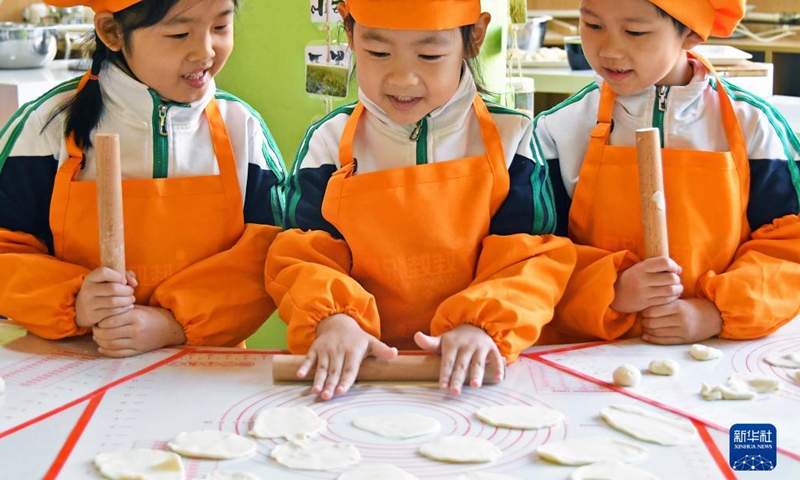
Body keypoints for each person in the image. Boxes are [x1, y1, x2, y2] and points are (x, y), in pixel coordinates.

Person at [266, 0, 575, 400]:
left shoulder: (509, 136)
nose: (403, 78)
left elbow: (531, 259)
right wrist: (334, 319)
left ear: (474, 37)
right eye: (378, 52)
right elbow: (302, 254)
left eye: (429, 55)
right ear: (349, 33)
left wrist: (481, 325)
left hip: (479, 375)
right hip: (358, 376)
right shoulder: (329, 142)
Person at [0, 0, 285, 357]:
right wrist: (73, 301)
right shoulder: (46, 126)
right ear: (112, 32)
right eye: (179, 33)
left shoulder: (241, 129)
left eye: (220, 28)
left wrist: (173, 324)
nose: (206, 51)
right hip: (73, 366)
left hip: (203, 367)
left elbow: (270, 254)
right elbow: (5, 251)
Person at [534, 0, 800, 346]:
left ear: (690, 33)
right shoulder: (559, 129)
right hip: (592, 347)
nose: (609, 49)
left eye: (635, 32)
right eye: (593, 26)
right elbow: (534, 253)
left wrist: (715, 312)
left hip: (719, 348)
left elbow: (789, 250)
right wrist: (609, 289)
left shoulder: (753, 126)